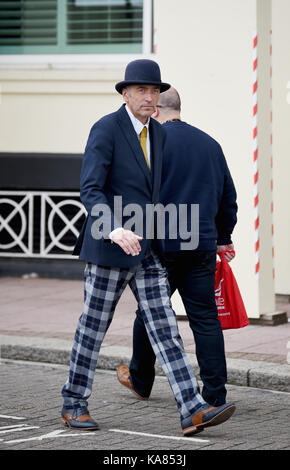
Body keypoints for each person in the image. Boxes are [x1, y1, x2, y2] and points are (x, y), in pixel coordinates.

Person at [61, 61, 235, 437]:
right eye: (141, 90)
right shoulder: (106, 129)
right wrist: (113, 228)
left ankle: (192, 409)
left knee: (165, 329)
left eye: (154, 91)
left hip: (149, 250)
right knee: (93, 329)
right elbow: (91, 189)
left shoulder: (159, 133)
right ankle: (74, 403)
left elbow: (156, 195)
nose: (149, 97)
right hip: (110, 248)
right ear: (125, 94)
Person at [117, 87, 238, 408]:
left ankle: (140, 380)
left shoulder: (151, 143)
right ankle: (215, 395)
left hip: (161, 245)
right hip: (201, 243)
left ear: (156, 110)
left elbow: (136, 195)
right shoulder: (210, 144)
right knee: (205, 318)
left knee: (150, 313)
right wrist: (224, 237)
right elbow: (228, 198)